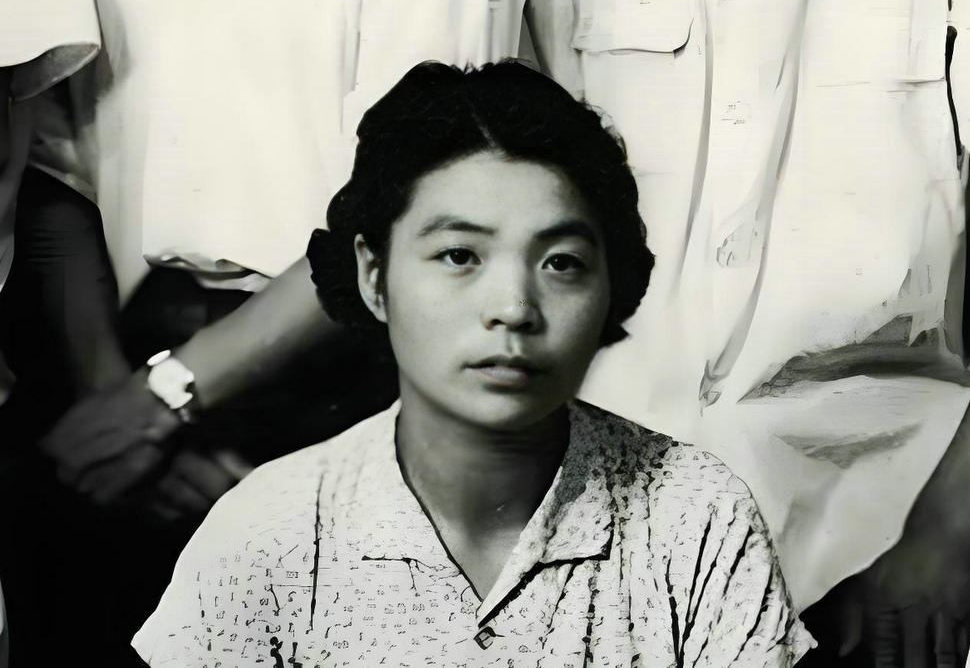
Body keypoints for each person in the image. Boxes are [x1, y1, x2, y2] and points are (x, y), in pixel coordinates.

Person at [132, 61, 814, 666]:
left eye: (562, 263)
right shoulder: (268, 531)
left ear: (612, 285)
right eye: (460, 255)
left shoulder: (696, 515)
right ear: (374, 276)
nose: (514, 308)